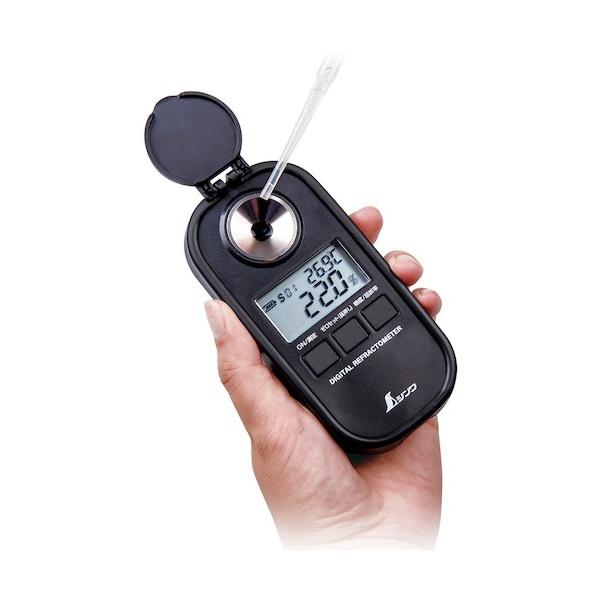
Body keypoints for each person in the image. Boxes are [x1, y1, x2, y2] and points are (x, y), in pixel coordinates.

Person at [204, 207, 444, 549]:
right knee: (360, 248)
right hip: (348, 501)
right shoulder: (205, 240)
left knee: (366, 255)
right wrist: (352, 535)